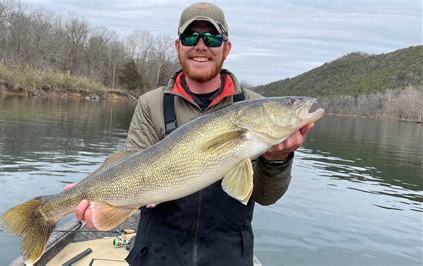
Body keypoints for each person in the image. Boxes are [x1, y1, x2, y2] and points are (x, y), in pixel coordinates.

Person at [67, 2, 314, 265]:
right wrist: (101, 206)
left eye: (212, 37)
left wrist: (277, 159)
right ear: (178, 47)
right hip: (157, 253)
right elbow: (131, 171)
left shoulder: (252, 105)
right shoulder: (151, 104)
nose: (201, 45)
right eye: (190, 36)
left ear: (226, 48)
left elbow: (265, 197)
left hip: (227, 255)